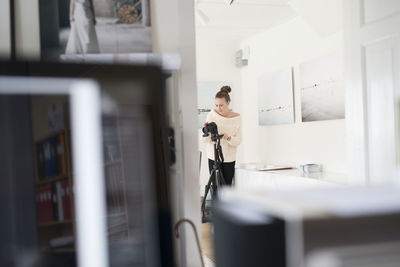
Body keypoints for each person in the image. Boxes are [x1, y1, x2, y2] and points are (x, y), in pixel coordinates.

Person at [203, 85, 242, 186]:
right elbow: (205, 140)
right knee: (215, 187)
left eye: (221, 105)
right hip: (213, 156)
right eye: (216, 105)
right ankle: (216, 202)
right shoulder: (211, 115)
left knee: (227, 188)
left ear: (228, 103)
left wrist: (227, 137)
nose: (218, 108)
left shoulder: (237, 118)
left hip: (229, 158)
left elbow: (238, 140)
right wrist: (206, 133)